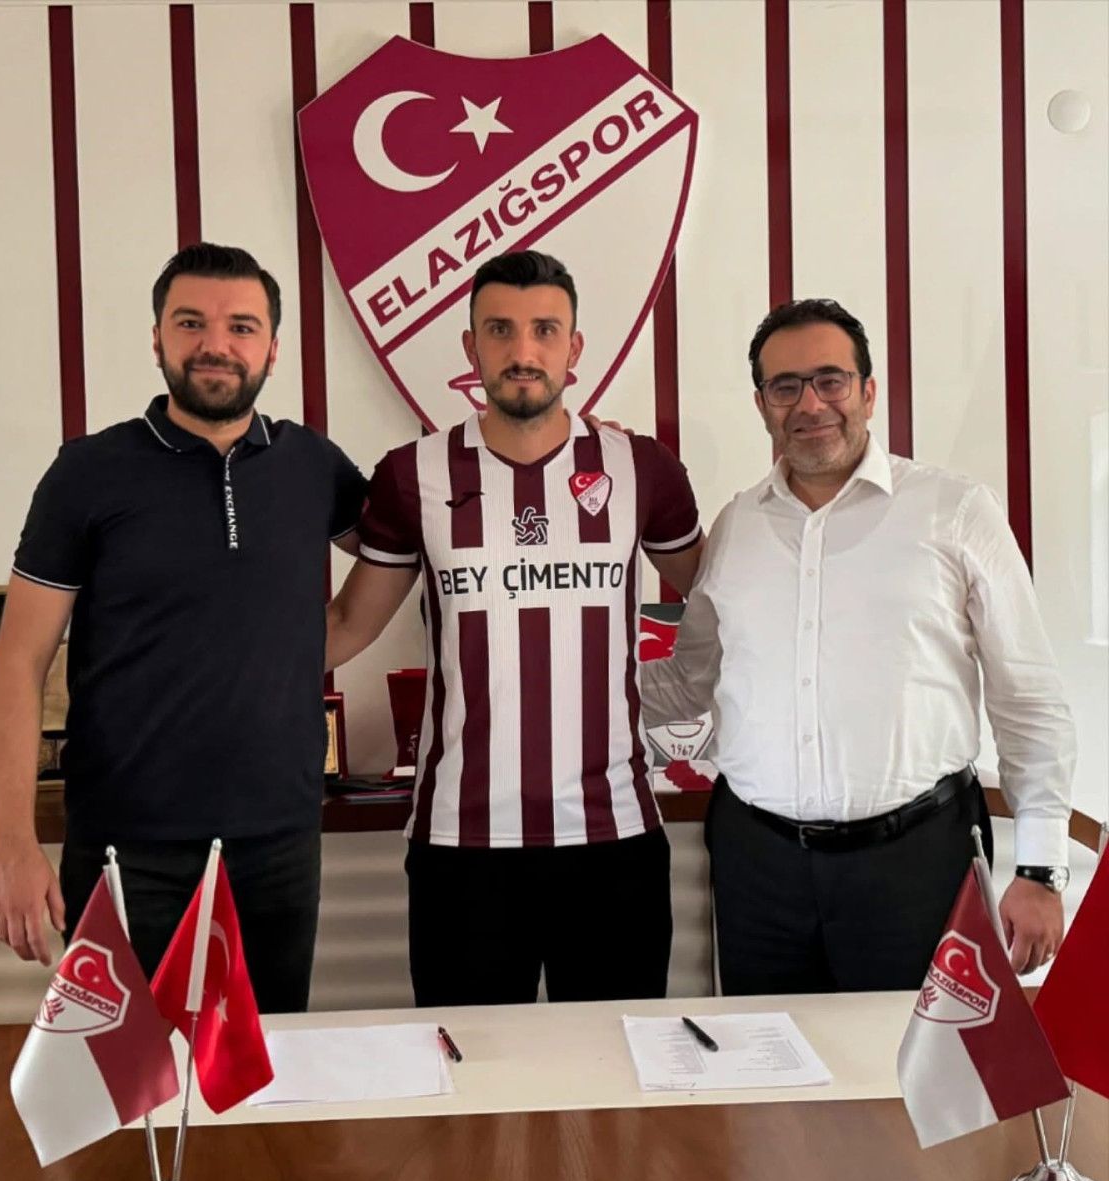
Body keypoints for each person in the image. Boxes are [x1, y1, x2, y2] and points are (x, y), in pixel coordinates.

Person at [643, 298, 1076, 995]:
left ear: (868, 392)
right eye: (786, 386)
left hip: (919, 865)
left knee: (911, 1063)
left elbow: (1028, 699)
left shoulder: (955, 511)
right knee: (770, 1059)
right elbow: (690, 682)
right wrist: (557, 681)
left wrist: (1040, 869)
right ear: (762, 405)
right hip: (757, 869)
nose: (810, 404)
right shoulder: (735, 527)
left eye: (830, 380)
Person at [0, 242, 366, 1012]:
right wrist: (13, 846)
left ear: (273, 348)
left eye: (241, 326)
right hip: (125, 851)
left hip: (279, 844)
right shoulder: (88, 472)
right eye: (191, 323)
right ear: (157, 338)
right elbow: (18, 661)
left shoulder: (313, 467)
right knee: (122, 1077)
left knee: (263, 1072)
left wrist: (581, 448)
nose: (215, 344)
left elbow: (420, 541)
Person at [325, 250, 704, 1006]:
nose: (522, 351)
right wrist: (206, 678)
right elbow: (346, 625)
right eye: (500, 330)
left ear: (574, 347)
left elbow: (725, 600)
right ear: (471, 348)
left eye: (544, 330)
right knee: (472, 1073)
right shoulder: (412, 474)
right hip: (461, 846)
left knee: (613, 1070)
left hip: (613, 840)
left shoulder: (642, 468)